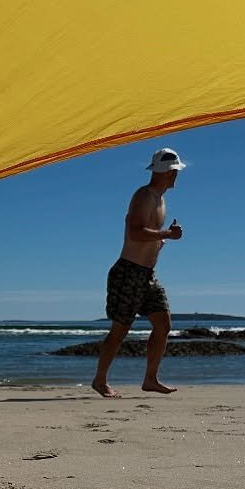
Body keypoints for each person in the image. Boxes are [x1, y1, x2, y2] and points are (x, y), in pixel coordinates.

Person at [91, 147, 187, 398]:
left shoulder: (161, 200)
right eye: (175, 171)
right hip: (128, 272)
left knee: (163, 324)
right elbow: (135, 231)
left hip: (147, 275)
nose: (177, 176)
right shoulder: (144, 196)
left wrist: (161, 240)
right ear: (166, 171)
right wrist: (167, 234)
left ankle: (150, 379)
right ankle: (100, 381)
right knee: (120, 329)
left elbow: (146, 235)